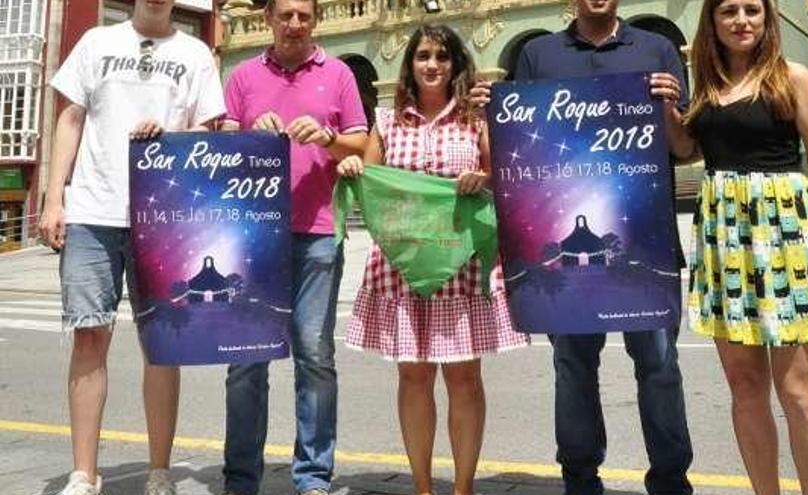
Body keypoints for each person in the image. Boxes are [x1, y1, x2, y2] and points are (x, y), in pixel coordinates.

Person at [470, 1, 694, 494]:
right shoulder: (537, 54)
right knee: (573, 367)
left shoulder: (656, 49)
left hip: (648, 247)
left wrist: (671, 107)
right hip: (558, 244)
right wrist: (490, 113)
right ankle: (580, 479)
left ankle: (672, 481)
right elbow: (518, 148)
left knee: (658, 366)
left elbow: (685, 148)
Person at [37, 1, 226, 494]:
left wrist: (171, 133)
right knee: (88, 337)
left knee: (162, 346)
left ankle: (159, 471)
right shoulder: (97, 42)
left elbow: (209, 130)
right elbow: (71, 118)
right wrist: (54, 198)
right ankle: (83, 474)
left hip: (163, 215)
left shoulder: (195, 53)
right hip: (93, 213)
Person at [662, 1, 808, 494]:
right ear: (714, 23)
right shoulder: (706, 85)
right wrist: (667, 111)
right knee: (745, 388)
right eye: (729, 11)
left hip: (786, 235)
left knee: (797, 387)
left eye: (752, 10)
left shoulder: (795, 78)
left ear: (767, 19)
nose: (741, 20)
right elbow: (687, 151)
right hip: (726, 240)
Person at [336, 24, 529, 495]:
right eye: (423, 55)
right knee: (413, 374)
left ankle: (462, 488)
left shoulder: (476, 119)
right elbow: (373, 182)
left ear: (456, 64)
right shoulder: (385, 121)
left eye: (442, 56)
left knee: (465, 377)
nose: (432, 65)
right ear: (410, 64)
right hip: (401, 265)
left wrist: (481, 177)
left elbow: (502, 174)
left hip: (461, 262)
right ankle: (423, 487)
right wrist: (352, 166)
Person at [218, 0, 368, 493]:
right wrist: (246, 135)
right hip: (253, 238)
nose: (295, 24)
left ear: (316, 20)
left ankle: (313, 477)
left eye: (304, 15)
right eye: (285, 15)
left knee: (315, 356)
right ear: (269, 19)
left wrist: (327, 137)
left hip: (319, 234)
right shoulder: (241, 78)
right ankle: (241, 478)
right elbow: (219, 151)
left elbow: (362, 145)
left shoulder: (340, 74)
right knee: (245, 361)